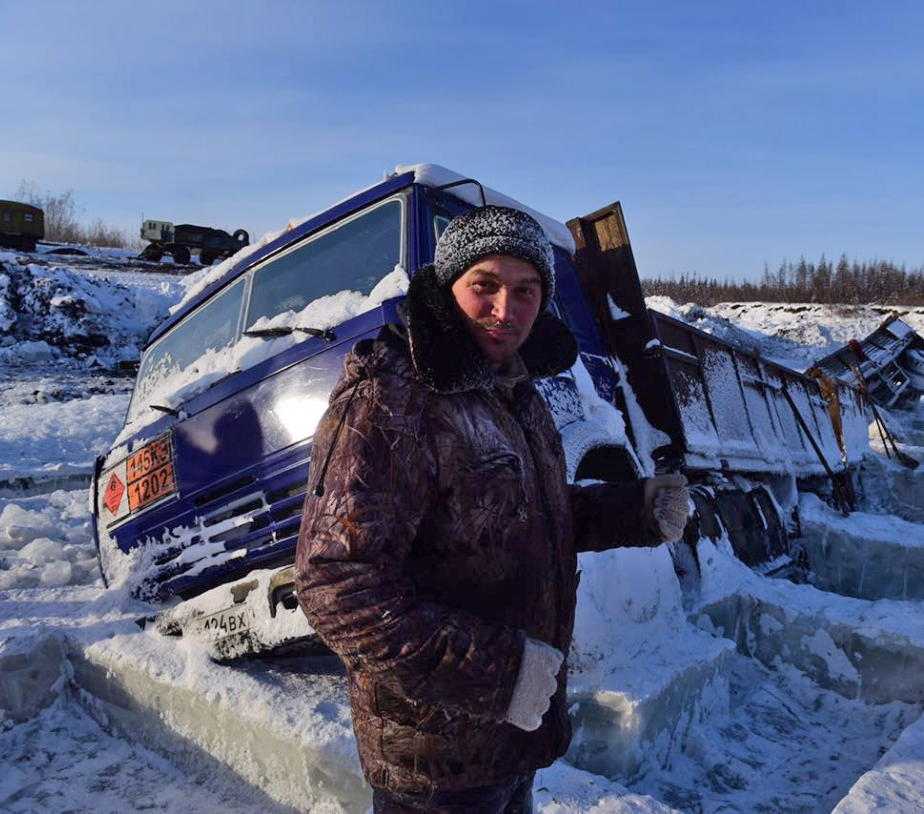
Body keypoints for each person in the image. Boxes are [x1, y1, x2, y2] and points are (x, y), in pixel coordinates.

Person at [294, 205, 690, 813]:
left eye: (526, 290)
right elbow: (337, 588)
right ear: (448, 287)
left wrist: (634, 510)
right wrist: (501, 673)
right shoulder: (392, 400)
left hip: (510, 739)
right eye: (485, 285)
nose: (507, 310)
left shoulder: (514, 390)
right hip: (435, 760)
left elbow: (524, 515)